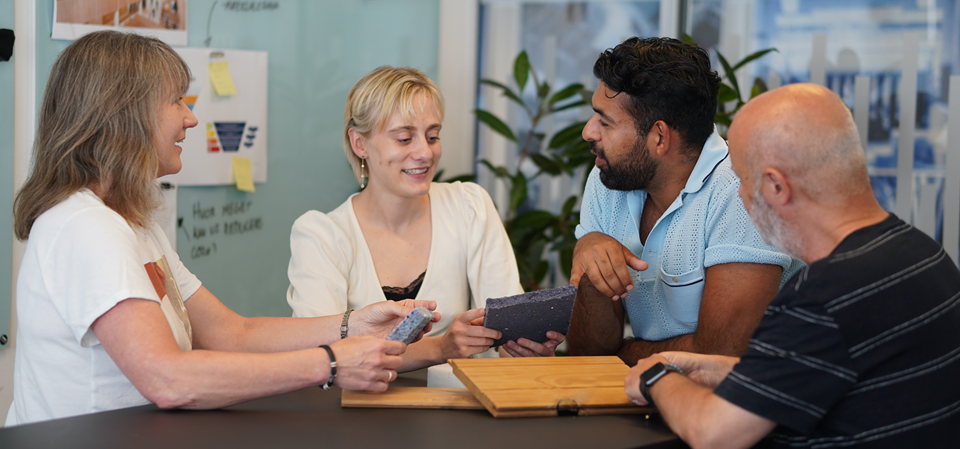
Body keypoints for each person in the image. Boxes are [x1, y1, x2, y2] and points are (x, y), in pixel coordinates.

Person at [7, 31, 438, 426]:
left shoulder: (133, 224)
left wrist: (354, 326)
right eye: (176, 101)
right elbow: (167, 378)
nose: (190, 118)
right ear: (125, 114)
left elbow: (231, 333)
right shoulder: (85, 227)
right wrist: (330, 363)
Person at [626, 83, 960, 447]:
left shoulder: (825, 295)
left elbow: (713, 433)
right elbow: (813, 367)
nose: (739, 195)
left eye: (742, 179)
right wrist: (708, 367)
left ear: (776, 187)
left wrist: (656, 376)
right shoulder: (922, 254)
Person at [286, 66, 563, 368]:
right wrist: (440, 348)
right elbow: (324, 357)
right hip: (361, 399)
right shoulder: (321, 235)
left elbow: (507, 335)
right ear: (359, 144)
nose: (425, 153)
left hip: (462, 397)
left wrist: (525, 347)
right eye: (405, 139)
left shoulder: (469, 206)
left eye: (432, 136)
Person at [567, 37, 802, 365]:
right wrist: (590, 260)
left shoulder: (741, 192)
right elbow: (587, 354)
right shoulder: (608, 179)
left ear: (659, 137)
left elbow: (723, 357)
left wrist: (623, 354)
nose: (588, 132)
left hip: (769, 393)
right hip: (651, 389)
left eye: (605, 122)